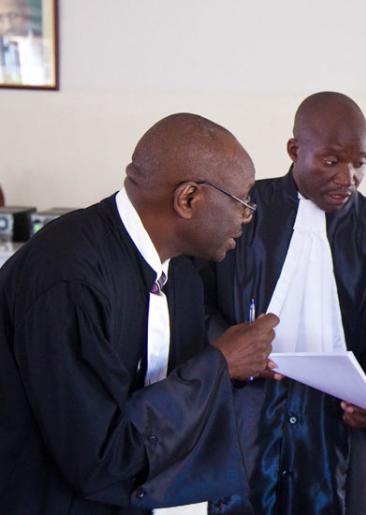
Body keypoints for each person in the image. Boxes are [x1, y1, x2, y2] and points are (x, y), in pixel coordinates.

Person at [0, 113, 279, 514]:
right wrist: (219, 364)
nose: (245, 219)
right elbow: (96, 459)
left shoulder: (181, 270)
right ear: (188, 199)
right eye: (243, 203)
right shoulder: (68, 278)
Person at [202, 91, 366, 514]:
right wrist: (228, 348)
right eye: (332, 161)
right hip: (243, 424)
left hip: (333, 436)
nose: (348, 177)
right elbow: (195, 305)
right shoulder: (238, 214)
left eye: (360, 162)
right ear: (295, 150)